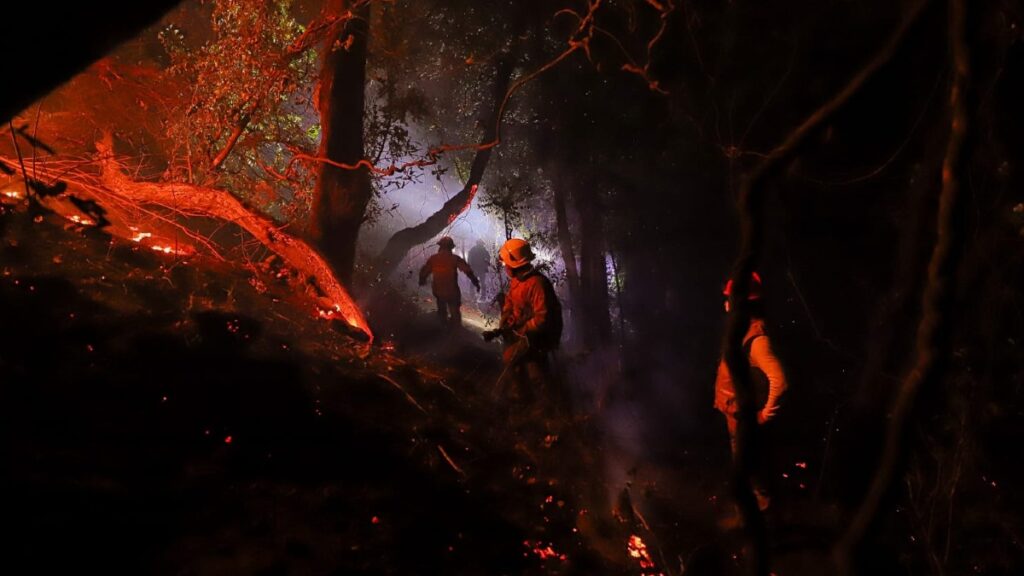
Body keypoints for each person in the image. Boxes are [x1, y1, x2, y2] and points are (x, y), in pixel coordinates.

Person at [714, 271, 788, 511]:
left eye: (731, 300)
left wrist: (766, 414)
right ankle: (749, 525)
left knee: (755, 477)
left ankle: (762, 531)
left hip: (748, 420)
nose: (726, 304)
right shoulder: (742, 332)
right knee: (746, 476)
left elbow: (779, 379)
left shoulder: (756, 339)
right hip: (737, 416)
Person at [483, 238, 563, 406]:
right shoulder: (517, 281)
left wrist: (522, 329)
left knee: (513, 359)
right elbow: (511, 302)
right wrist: (505, 320)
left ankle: (547, 409)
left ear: (515, 263)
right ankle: (526, 400)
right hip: (524, 334)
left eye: (506, 264)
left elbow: (542, 318)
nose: (505, 267)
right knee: (530, 368)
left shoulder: (537, 284)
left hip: (538, 336)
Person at [419, 236, 480, 327]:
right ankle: (455, 335)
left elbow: (424, 272)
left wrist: (422, 280)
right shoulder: (455, 259)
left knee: (442, 314)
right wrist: (475, 282)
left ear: (440, 247)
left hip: (438, 291)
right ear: (451, 247)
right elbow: (467, 270)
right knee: (455, 315)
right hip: (452, 292)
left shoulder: (433, 259)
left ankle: (443, 333)